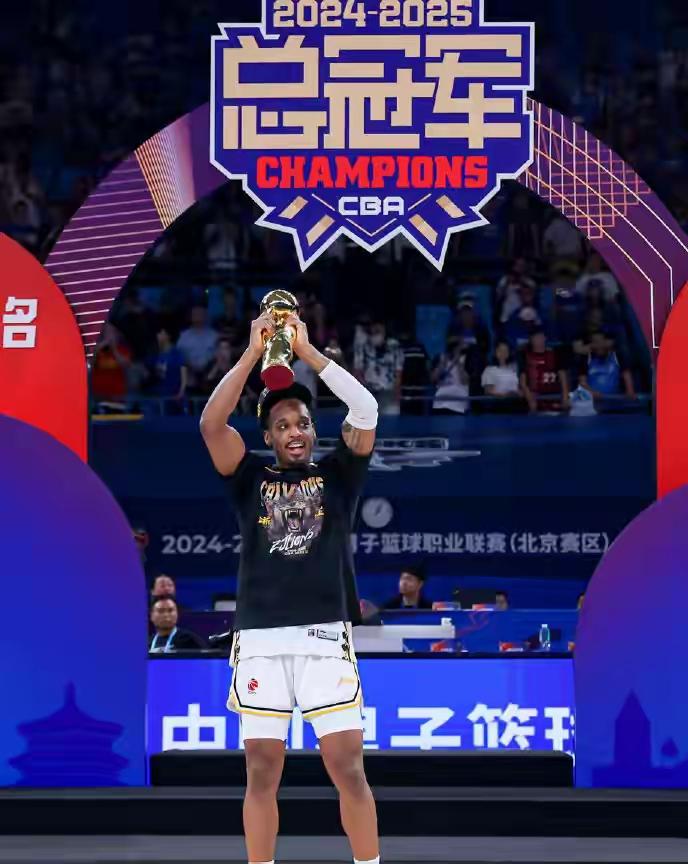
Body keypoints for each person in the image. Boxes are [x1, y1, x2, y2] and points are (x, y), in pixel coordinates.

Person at [200, 310, 380, 864]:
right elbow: (211, 425)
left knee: (348, 769)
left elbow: (366, 410)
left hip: (324, 637)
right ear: (269, 437)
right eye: (281, 426)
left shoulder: (338, 475)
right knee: (261, 772)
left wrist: (306, 353)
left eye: (301, 422)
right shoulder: (248, 479)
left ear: (312, 429)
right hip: (260, 639)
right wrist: (254, 352)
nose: (294, 432)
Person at [354, 319, 404, 416]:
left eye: (377, 331)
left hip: (388, 394)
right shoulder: (364, 347)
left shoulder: (395, 347)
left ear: (385, 331)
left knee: (390, 422)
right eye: (372, 333)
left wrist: (397, 395)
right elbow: (358, 371)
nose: (375, 335)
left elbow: (398, 374)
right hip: (368, 394)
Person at [578, 331, 636, 405]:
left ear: (607, 342)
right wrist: (592, 393)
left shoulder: (617, 357)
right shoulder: (585, 359)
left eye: (601, 341)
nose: (599, 345)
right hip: (593, 402)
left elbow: (627, 375)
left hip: (616, 401)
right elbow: (582, 384)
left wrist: (630, 391)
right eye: (596, 342)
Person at [519, 330, 570, 413]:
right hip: (535, 397)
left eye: (541, 337)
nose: (539, 340)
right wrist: (530, 398)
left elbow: (563, 378)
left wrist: (565, 396)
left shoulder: (555, 354)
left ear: (545, 338)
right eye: (536, 338)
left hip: (554, 396)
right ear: (531, 340)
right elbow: (523, 382)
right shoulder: (525, 356)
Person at [177, 304, 218, 386]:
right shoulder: (184, 336)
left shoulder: (214, 335)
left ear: (205, 316)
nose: (198, 316)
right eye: (195, 314)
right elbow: (179, 354)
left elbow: (217, 354)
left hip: (209, 370)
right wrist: (189, 365)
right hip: (189, 370)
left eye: (201, 314)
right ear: (191, 316)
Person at [431, 336, 470, 415]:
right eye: (452, 346)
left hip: (458, 403)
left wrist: (458, 362)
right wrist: (442, 364)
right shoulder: (441, 358)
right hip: (440, 403)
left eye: (456, 346)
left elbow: (465, 381)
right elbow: (433, 379)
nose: (454, 349)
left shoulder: (466, 359)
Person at [481, 341, 524, 412]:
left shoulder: (513, 369)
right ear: (495, 352)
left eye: (505, 350)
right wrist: (504, 395)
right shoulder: (489, 369)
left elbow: (515, 388)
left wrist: (520, 392)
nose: (503, 353)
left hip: (512, 402)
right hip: (497, 404)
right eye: (500, 350)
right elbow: (488, 390)